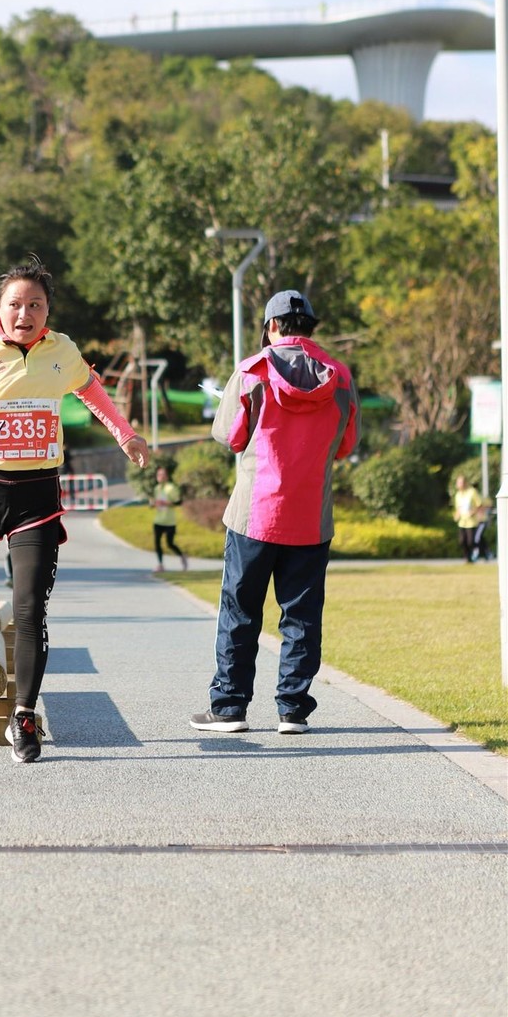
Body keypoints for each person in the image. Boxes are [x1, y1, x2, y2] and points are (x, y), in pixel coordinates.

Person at [0, 254, 149, 763]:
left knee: (31, 609)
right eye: (15, 305)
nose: (25, 314)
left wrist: (126, 434)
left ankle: (24, 716)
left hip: (37, 497)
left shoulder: (61, 349)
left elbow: (92, 391)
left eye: (36, 305)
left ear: (48, 310)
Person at [190, 289, 360, 737]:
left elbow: (228, 435)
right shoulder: (340, 378)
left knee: (240, 611)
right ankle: (293, 710)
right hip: (311, 517)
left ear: (271, 327)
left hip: (255, 514)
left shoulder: (252, 371)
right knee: (302, 616)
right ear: (311, 327)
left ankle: (229, 709)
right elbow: (346, 445)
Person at [152, 465, 187, 573]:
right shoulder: (157, 488)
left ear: (167, 476)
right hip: (158, 520)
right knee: (157, 543)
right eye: (158, 474)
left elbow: (179, 502)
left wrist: (167, 503)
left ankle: (182, 556)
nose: (160, 477)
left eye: (162, 474)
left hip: (169, 521)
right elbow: (156, 502)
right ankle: (160, 564)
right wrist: (154, 504)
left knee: (169, 544)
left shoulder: (171, 488)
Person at [452, 475, 490, 563]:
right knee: (462, 541)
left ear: (465, 483)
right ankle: (467, 558)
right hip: (462, 522)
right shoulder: (458, 495)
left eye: (460, 482)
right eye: (457, 483)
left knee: (471, 541)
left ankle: (481, 555)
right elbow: (458, 508)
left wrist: (473, 513)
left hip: (472, 522)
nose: (458, 484)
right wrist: (456, 516)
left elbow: (480, 505)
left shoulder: (472, 492)